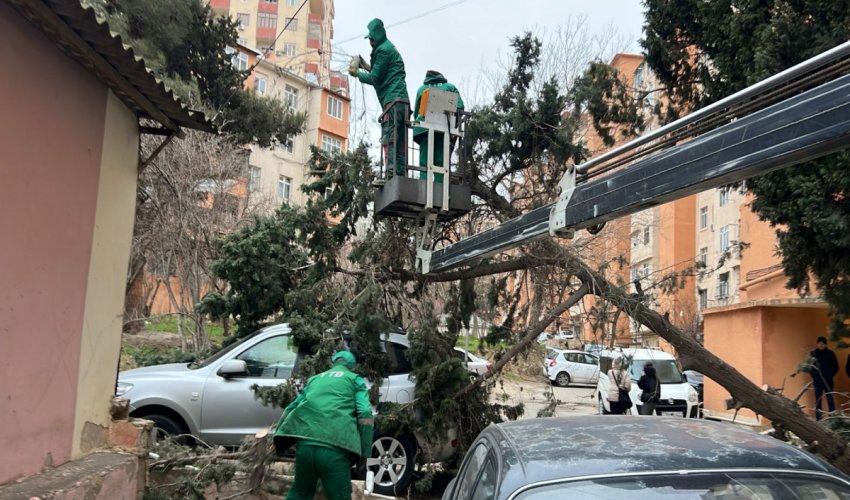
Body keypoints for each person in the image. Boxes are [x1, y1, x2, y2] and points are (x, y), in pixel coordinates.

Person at [273, 351, 374, 500]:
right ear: (352, 366)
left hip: (305, 445)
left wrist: (278, 435)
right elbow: (365, 412)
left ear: (334, 362)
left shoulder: (315, 379)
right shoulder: (354, 380)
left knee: (299, 494)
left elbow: (291, 407)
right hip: (335, 449)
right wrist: (365, 452)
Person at [350, 18, 410, 179]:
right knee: (400, 142)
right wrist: (363, 65)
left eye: (371, 38)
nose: (370, 42)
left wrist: (357, 74)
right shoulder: (388, 48)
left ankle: (390, 174)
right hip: (402, 102)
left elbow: (376, 78)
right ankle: (400, 174)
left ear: (375, 37)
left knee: (389, 138)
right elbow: (380, 72)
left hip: (392, 101)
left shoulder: (383, 50)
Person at [412, 70, 464, 181]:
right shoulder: (450, 87)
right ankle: (440, 185)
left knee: (424, 161)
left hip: (424, 128)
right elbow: (460, 107)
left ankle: (424, 184)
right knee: (441, 162)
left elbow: (417, 112)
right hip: (444, 127)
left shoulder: (422, 89)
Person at [810, 336, 838, 421]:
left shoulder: (830, 353)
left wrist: (828, 376)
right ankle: (819, 419)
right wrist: (816, 377)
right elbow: (810, 368)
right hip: (817, 382)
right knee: (818, 401)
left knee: (830, 400)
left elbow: (836, 367)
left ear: (825, 344)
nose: (821, 345)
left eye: (823, 344)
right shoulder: (813, 354)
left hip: (828, 381)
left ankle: (833, 419)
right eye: (819, 343)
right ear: (817, 344)